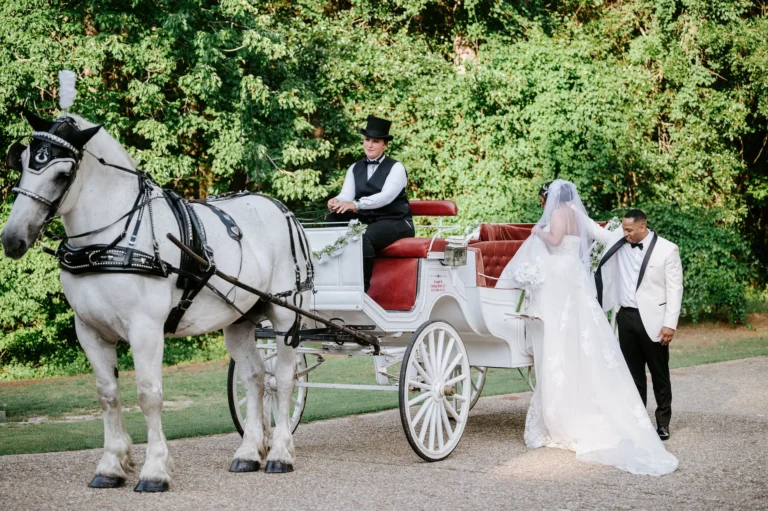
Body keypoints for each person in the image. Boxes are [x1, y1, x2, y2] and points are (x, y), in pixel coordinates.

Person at [498, 179, 678, 476]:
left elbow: (554, 241)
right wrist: (628, 237)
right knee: (581, 343)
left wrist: (537, 231)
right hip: (575, 281)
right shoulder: (578, 216)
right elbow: (605, 237)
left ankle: (567, 415)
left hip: (559, 280)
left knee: (561, 342)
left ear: (551, 197)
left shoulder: (555, 215)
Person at [592, 209, 684, 441]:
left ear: (643, 227)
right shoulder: (621, 241)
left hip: (654, 321)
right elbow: (594, 231)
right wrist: (566, 205)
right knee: (633, 374)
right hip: (626, 317)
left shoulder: (667, 249)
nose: (625, 233)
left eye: (629, 229)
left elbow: (675, 289)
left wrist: (669, 324)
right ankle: (638, 421)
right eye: (623, 229)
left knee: (659, 373)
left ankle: (663, 423)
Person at [326, 115, 415, 291]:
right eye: (367, 140)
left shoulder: (396, 168)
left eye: (375, 141)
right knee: (332, 219)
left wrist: (356, 204)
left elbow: (386, 197)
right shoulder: (355, 167)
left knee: (362, 237)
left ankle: (361, 289)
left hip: (396, 222)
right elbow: (346, 195)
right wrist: (337, 201)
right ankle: (331, 282)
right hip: (368, 222)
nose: (370, 145)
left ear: (384, 145)